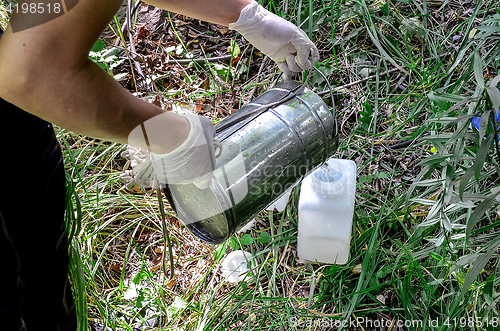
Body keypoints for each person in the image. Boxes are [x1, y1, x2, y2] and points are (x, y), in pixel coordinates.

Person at [0, 0, 319, 329]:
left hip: (7, 95)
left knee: (38, 239)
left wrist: (244, 15)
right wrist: (170, 136)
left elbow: (40, 30)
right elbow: (31, 74)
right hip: (14, 74)